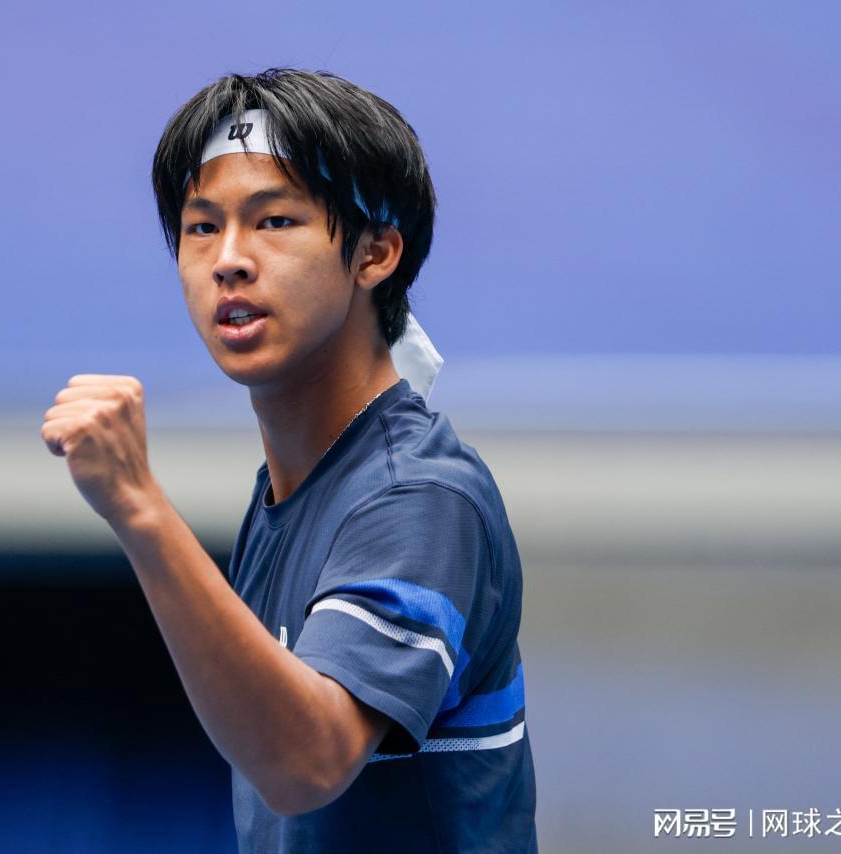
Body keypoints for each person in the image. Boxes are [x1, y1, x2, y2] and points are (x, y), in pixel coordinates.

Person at [42, 68, 537, 853]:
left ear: (376, 252)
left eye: (274, 220)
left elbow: (308, 762)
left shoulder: (419, 496)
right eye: (201, 228)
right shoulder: (290, 489)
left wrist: (139, 507)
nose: (228, 260)